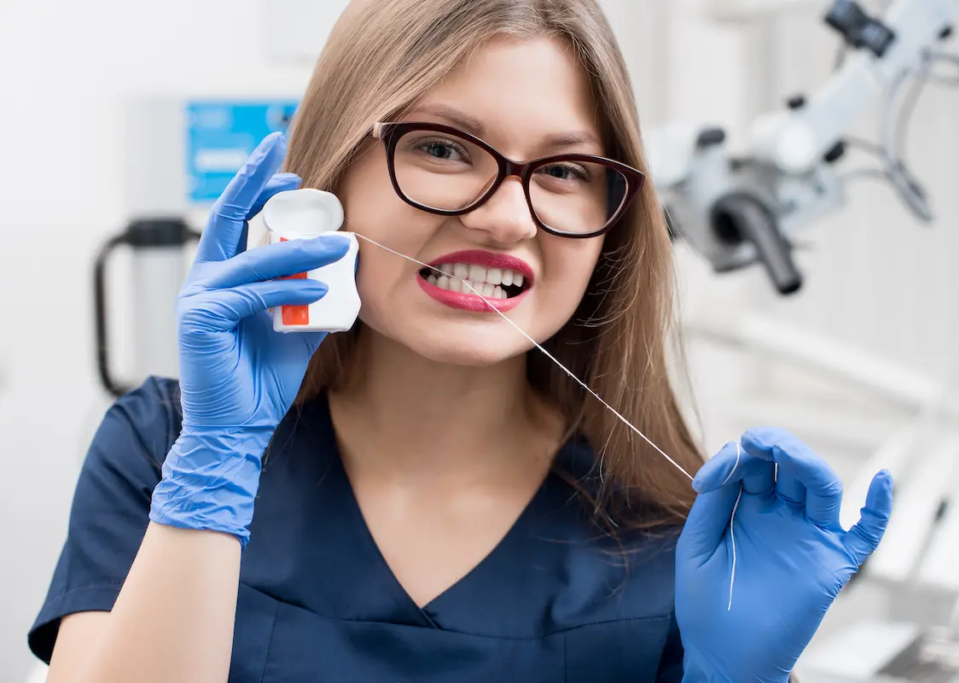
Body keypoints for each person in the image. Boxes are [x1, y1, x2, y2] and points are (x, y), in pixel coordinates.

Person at [29, 0, 893, 681]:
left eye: (562, 171)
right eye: (444, 148)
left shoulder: (677, 537)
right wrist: (214, 469)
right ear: (331, 174)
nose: (505, 217)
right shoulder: (164, 450)